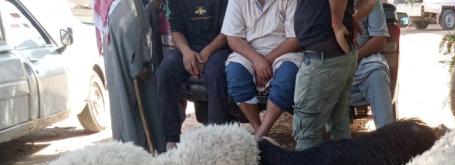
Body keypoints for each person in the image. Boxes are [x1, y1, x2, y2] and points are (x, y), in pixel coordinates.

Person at [276, 0, 375, 165]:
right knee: (339, 128)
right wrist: (352, 19)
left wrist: (338, 23)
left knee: (306, 130)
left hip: (323, 58)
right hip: (339, 56)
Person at [156, 0, 230, 151]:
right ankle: (171, 138)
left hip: (218, 47)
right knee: (165, 72)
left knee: (215, 74)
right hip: (189, 49)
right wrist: (186, 52)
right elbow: (176, 31)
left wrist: (207, 52)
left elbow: (228, 31)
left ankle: (217, 139)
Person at [222, 0, 301, 139]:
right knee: (235, 74)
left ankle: (260, 135)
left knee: (287, 77)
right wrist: (256, 60)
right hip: (249, 52)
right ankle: (258, 129)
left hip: (283, 51)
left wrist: (265, 62)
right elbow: (233, 38)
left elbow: (294, 39)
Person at [95, 0, 163, 153]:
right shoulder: (126, 4)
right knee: (138, 115)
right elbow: (135, 33)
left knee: (125, 115)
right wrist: (140, 66)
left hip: (121, 68)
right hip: (133, 69)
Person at [350, 0, 393, 129]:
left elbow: (379, 39)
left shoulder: (371, 2)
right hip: (329, 63)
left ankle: (387, 137)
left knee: (378, 74)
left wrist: (353, 57)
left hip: (363, 60)